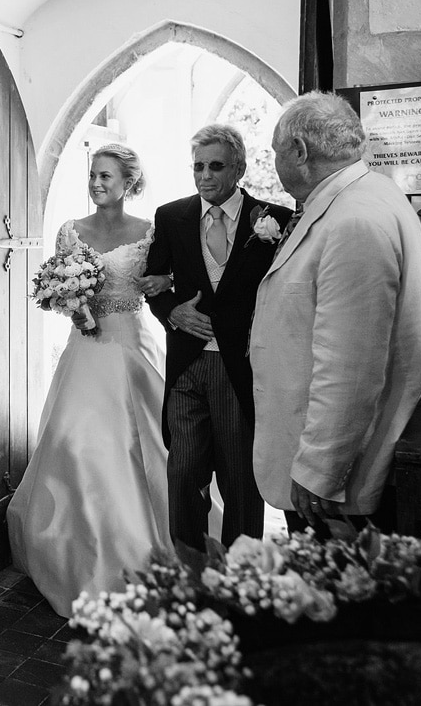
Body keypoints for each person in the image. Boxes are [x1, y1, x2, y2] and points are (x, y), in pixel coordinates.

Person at [251, 91, 421, 530]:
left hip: (332, 486)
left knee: (330, 594)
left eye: (276, 152)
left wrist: (320, 470)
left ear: (299, 151)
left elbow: (352, 367)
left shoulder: (354, 220)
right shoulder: (362, 195)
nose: (276, 163)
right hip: (321, 461)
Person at [7, 144, 170, 617]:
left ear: (128, 183)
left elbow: (164, 280)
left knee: (141, 447)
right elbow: (59, 289)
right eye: (92, 175)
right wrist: (71, 307)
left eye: (106, 176)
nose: (97, 184)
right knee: (74, 443)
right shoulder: (70, 232)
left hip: (131, 348)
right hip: (85, 351)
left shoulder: (149, 232)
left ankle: (141, 550)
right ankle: (77, 558)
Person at [143, 124, 293, 550]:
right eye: (198, 167)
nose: (205, 175)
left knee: (240, 480)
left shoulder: (274, 220)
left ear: (239, 168)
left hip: (240, 367)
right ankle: (191, 570)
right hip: (187, 365)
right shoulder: (172, 216)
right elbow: (153, 282)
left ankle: (240, 576)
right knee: (183, 472)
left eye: (215, 166)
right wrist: (173, 312)